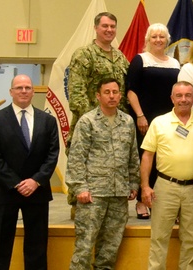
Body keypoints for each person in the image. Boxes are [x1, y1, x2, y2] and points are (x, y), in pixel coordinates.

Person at [0, 75, 59, 270]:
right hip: (4, 191)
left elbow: (52, 156)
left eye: (27, 87)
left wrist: (35, 181)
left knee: (37, 248)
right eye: (19, 88)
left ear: (33, 92)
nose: (23, 91)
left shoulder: (48, 121)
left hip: (37, 192)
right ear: (11, 92)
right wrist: (17, 183)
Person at [66, 78, 140, 270]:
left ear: (120, 95)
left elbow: (132, 155)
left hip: (118, 194)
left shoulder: (127, 121)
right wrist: (79, 187)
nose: (112, 96)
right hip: (93, 195)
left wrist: (133, 183)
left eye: (115, 92)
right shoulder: (87, 121)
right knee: (84, 248)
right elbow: (76, 157)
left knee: (109, 250)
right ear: (98, 96)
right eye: (107, 92)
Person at [140, 81, 193, 270]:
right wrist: (145, 186)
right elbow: (147, 156)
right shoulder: (159, 122)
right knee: (159, 238)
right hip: (165, 187)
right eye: (179, 95)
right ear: (172, 98)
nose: (183, 99)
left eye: (188, 95)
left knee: (191, 240)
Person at [126, 23, 181, 220]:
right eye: (154, 37)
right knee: (146, 157)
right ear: (147, 40)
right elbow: (131, 91)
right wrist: (140, 116)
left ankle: (163, 201)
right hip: (145, 119)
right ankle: (142, 200)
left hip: (169, 119)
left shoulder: (175, 63)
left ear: (167, 40)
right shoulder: (141, 60)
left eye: (162, 37)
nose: (158, 40)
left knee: (165, 158)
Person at [69, 12, 129, 129]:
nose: (109, 30)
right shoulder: (84, 54)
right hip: (91, 126)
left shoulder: (120, 57)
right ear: (95, 28)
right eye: (105, 26)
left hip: (118, 125)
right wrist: (96, 121)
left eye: (112, 26)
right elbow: (76, 94)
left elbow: (125, 90)